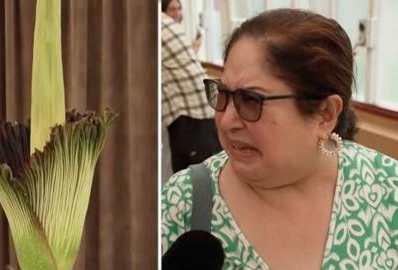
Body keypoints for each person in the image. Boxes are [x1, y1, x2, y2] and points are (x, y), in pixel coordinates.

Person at [162, 8, 398, 269]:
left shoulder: (388, 189)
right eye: (223, 94)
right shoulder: (183, 202)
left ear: (325, 114)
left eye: (251, 100)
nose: (226, 121)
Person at [161, 8, 221, 174]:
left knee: (196, 186)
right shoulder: (165, 24)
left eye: (179, 9)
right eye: (173, 9)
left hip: (192, 115)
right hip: (197, 113)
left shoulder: (158, 25)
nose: (178, 13)